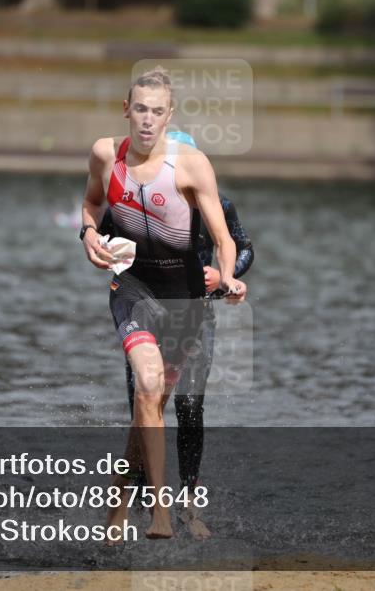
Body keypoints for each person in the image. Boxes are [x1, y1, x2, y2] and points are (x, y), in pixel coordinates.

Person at [80, 67, 247, 542]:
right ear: (125, 109)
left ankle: (116, 507)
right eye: (140, 109)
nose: (147, 120)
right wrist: (89, 233)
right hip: (131, 288)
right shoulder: (104, 154)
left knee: (150, 406)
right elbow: (91, 203)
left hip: (185, 300)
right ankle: (159, 514)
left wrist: (229, 276)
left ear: (168, 115)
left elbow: (223, 237)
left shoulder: (193, 164)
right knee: (147, 389)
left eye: (157, 111)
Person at [99, 187, 253, 540]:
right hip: (146, 312)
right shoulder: (132, 202)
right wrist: (114, 255)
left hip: (196, 316)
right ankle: (138, 501)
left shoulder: (218, 203)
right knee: (142, 407)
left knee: (189, 404)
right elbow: (106, 241)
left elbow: (244, 247)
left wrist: (221, 277)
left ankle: (188, 504)